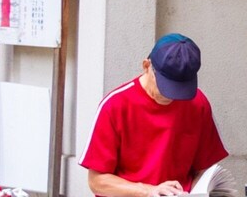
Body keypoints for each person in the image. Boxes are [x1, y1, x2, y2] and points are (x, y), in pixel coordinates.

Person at [81, 33, 229, 197]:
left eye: (181, 89)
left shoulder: (197, 102)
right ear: (146, 66)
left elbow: (204, 169)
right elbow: (97, 182)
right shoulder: (114, 106)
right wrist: (148, 191)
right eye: (166, 87)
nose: (172, 96)